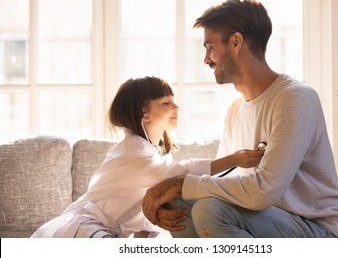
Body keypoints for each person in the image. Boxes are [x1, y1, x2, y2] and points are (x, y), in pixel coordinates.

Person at [142, 0, 338, 238]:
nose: (206, 60)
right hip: (259, 217)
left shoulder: (295, 98)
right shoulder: (235, 110)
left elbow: (264, 190)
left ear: (236, 42)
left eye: (210, 47)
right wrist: (170, 192)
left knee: (211, 210)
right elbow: (221, 182)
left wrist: (181, 183)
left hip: (313, 227)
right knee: (175, 205)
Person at [31, 76, 263, 238]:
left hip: (109, 231)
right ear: (144, 112)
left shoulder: (154, 152)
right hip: (82, 227)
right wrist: (234, 159)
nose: (176, 107)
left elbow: (139, 215)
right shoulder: (133, 151)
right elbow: (181, 173)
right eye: (166, 103)